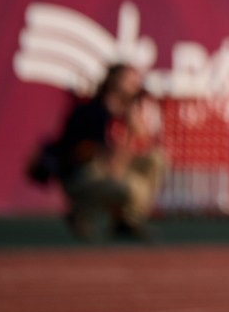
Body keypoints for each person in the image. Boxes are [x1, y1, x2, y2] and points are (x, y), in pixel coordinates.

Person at [47, 63, 166, 240]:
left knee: (155, 159)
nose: (136, 85)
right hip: (84, 176)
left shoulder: (129, 112)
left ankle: (127, 220)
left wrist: (134, 129)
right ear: (113, 82)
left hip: (112, 170)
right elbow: (110, 163)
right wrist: (129, 133)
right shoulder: (93, 112)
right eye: (130, 81)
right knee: (130, 190)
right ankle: (82, 210)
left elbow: (143, 147)